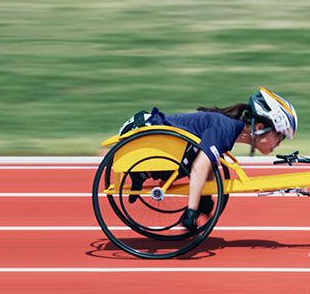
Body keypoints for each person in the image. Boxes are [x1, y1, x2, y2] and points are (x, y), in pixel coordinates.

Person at [116, 87, 297, 231]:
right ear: (259, 127)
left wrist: (205, 197)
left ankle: (143, 173)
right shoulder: (225, 129)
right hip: (143, 135)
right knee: (192, 159)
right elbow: (200, 167)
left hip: (151, 136)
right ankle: (144, 172)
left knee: (195, 155)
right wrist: (191, 210)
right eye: (279, 137)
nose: (279, 144)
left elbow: (210, 161)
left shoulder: (228, 130)